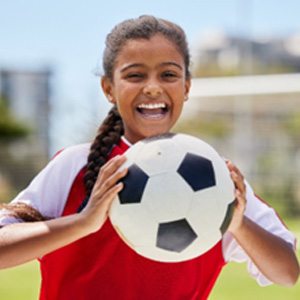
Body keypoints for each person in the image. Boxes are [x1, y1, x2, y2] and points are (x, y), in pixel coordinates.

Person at [0, 15, 299, 300]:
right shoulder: (77, 164)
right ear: (108, 88)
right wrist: (82, 223)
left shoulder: (217, 180)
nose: (153, 86)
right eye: (135, 75)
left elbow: (286, 273)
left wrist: (236, 224)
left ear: (186, 87)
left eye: (168, 74)